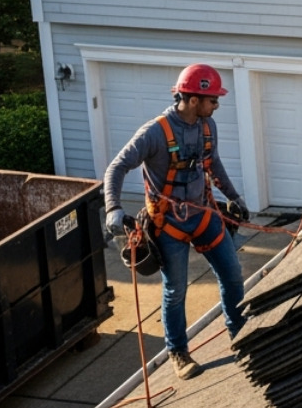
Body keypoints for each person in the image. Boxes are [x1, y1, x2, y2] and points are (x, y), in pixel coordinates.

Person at [104, 64, 248, 379]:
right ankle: (178, 353)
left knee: (233, 275)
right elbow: (117, 167)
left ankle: (240, 334)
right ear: (193, 100)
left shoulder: (208, 127)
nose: (217, 106)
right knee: (175, 291)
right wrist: (112, 207)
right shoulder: (155, 133)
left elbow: (214, 164)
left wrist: (234, 198)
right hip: (168, 225)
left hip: (204, 215)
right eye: (213, 100)